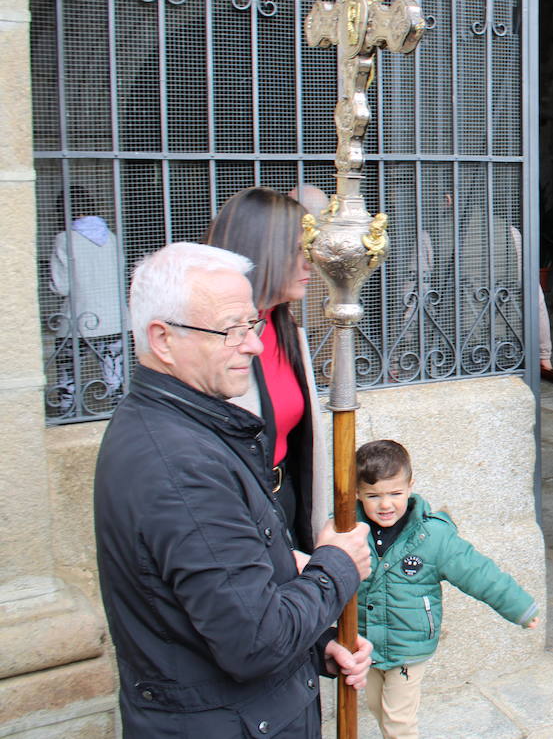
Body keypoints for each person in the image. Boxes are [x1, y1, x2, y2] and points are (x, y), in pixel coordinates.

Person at [94, 242, 372, 737]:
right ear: (163, 339)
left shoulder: (185, 425)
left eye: (253, 324)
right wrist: (336, 566)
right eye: (231, 330)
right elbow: (255, 642)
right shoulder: (180, 466)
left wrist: (314, 644)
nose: (255, 345)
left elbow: (221, 604)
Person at [355, 439, 538, 739]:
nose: (385, 504)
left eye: (395, 493)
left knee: (398, 722)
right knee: (377, 706)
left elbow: (478, 572)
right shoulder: (349, 530)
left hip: (408, 645)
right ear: (358, 493)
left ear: (410, 486)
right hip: (365, 641)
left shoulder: (433, 535)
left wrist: (519, 607)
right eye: (373, 495)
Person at [202, 187, 325, 551]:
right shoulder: (212, 343)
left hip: (281, 502)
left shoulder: (282, 327)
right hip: (237, 520)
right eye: (297, 251)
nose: (309, 263)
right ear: (262, 250)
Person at [49, 185, 125, 413]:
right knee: (114, 374)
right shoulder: (111, 237)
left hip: (78, 318)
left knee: (68, 372)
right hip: (113, 318)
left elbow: (61, 286)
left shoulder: (65, 239)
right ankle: (117, 414)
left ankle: (68, 412)